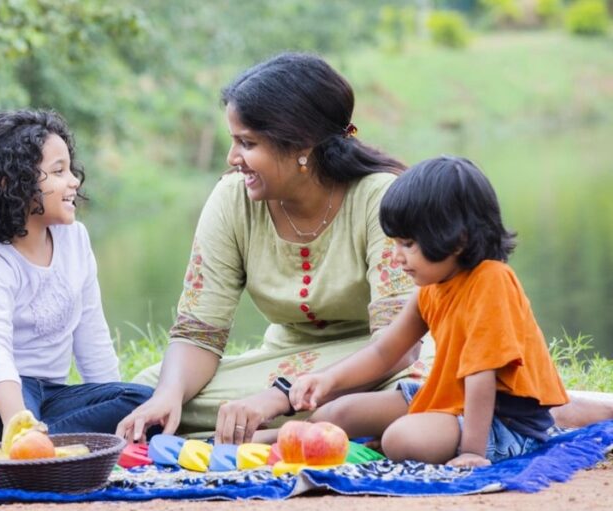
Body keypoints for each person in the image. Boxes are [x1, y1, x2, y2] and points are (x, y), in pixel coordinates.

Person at [117, 52, 431, 445]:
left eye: (247, 143)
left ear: (301, 144)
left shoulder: (378, 196)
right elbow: (199, 333)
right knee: (146, 389)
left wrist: (278, 398)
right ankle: (309, 431)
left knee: (422, 384)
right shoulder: (231, 199)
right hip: (281, 364)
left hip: (384, 361)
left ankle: (282, 429)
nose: (234, 159)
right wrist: (167, 397)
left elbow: (400, 348)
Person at [290, 156, 569, 467]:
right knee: (335, 413)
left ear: (458, 239)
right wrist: (327, 380)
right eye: (394, 243)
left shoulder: (491, 281)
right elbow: (385, 351)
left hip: (502, 422)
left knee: (400, 439)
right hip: (454, 399)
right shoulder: (432, 287)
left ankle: (418, 440)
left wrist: (472, 453)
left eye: (408, 244)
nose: (396, 258)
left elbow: (481, 375)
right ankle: (267, 440)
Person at [0, 110, 154, 440]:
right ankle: (24, 436)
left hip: (49, 395)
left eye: (70, 169)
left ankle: (39, 440)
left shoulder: (75, 239)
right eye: (58, 171)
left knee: (140, 403)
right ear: (13, 184)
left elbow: (92, 335)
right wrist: (17, 420)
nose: (74, 181)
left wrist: (113, 396)